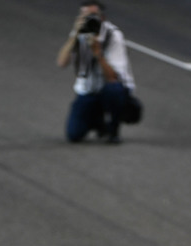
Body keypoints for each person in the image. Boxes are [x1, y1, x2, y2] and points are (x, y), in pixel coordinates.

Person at [57, 2, 135, 143]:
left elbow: (113, 78)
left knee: (114, 90)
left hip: (110, 89)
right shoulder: (80, 32)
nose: (88, 20)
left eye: (92, 16)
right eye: (84, 16)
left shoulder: (113, 36)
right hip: (89, 91)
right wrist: (74, 36)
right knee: (74, 134)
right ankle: (97, 122)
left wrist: (97, 52)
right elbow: (61, 62)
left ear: (102, 18)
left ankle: (113, 129)